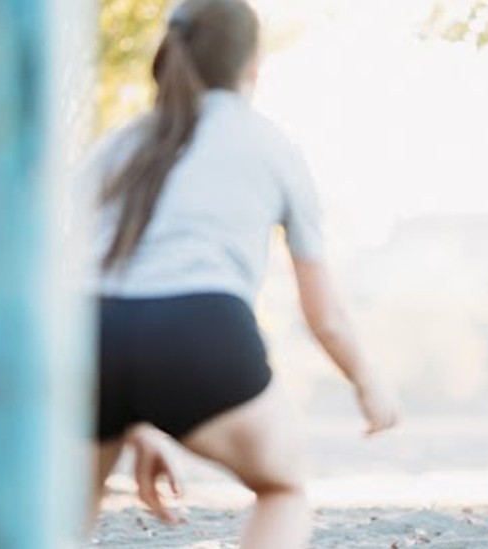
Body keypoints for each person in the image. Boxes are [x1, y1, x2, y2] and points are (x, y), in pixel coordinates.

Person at [81, 0, 399, 546]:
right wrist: (368, 383)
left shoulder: (115, 146)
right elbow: (323, 314)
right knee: (283, 487)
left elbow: (103, 291)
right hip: (201, 328)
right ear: (253, 64)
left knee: (59, 522)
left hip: (86, 331)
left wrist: (132, 420)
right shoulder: (269, 144)